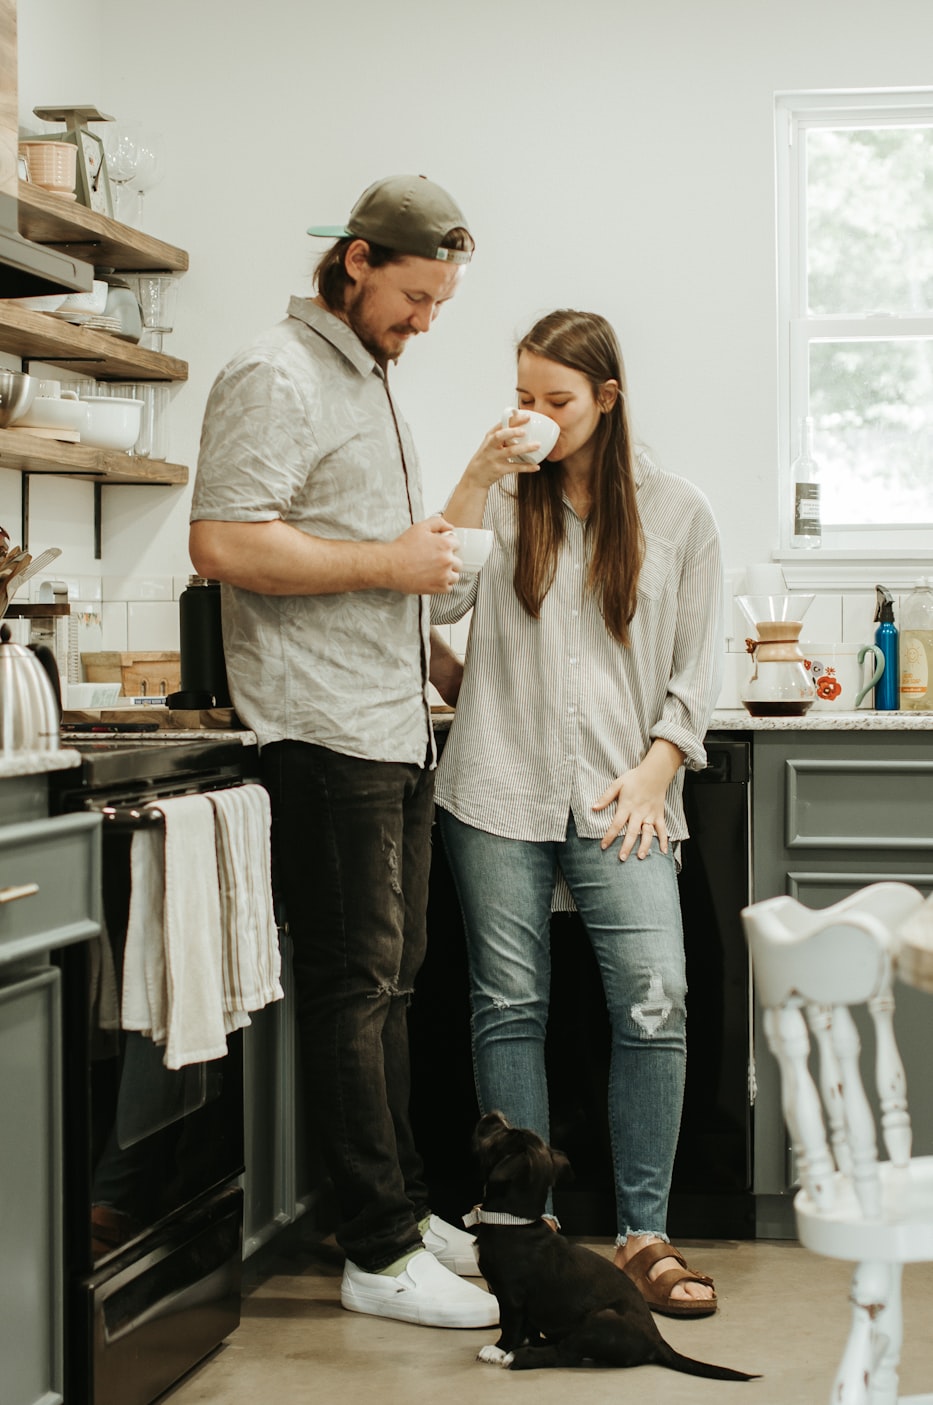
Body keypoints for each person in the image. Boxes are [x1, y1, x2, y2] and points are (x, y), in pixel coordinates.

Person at [188, 174, 498, 1331]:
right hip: (320, 733)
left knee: (390, 988)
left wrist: (431, 658)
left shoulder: (362, 378)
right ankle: (374, 1248)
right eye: (415, 297)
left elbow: (386, 558)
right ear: (357, 260)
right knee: (356, 991)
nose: (425, 322)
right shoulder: (276, 372)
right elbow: (223, 540)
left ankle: (404, 1216)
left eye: (439, 305)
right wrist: (389, 568)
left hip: (387, 724)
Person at [432, 308, 724, 1318]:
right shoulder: (505, 502)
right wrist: (478, 469)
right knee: (508, 1005)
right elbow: (429, 599)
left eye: (556, 399)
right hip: (496, 783)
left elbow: (699, 665)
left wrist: (658, 769)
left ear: (606, 399)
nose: (536, 415)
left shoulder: (679, 512)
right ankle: (533, 1236)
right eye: (523, 396)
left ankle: (645, 1231)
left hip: (621, 792)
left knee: (655, 996)